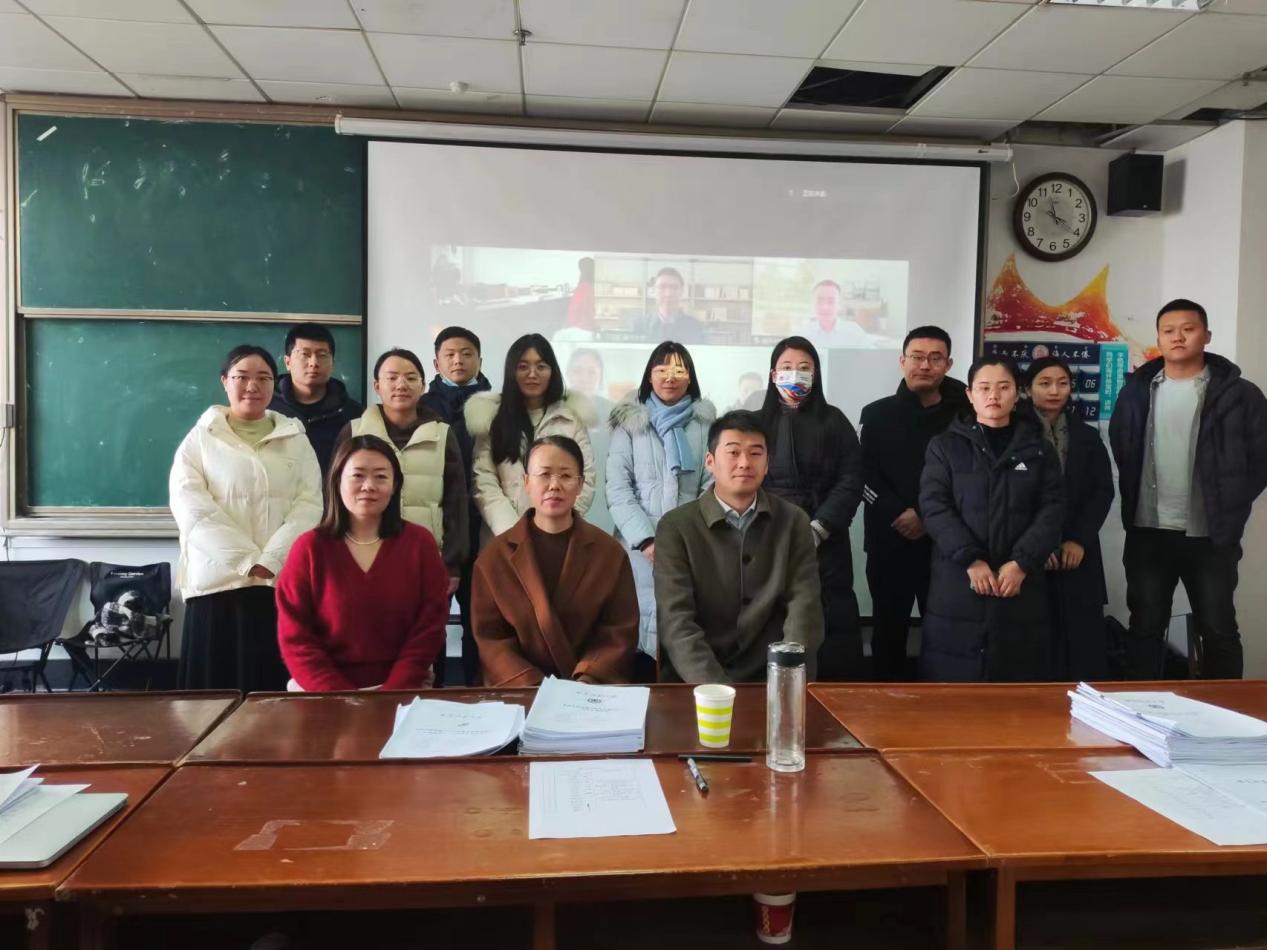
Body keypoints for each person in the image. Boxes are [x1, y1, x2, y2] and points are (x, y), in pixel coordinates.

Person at [1109, 299, 1267, 680]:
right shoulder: (1136, 391)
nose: (1177, 337)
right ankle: (1142, 708)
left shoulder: (1240, 394)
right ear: (1159, 338)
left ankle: (1223, 712)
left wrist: (1229, 502)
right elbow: (1122, 445)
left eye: (1188, 329)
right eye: (1168, 331)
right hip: (1148, 531)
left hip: (1210, 534)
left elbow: (1261, 459)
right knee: (1144, 627)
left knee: (1218, 629)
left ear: (1206, 336)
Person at [170, 344, 322, 692]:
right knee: (213, 698)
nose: (252, 386)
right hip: (217, 586)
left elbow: (310, 505)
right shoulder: (200, 440)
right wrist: (247, 560)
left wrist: (271, 560)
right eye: (242, 377)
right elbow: (192, 509)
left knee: (273, 697)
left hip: (277, 584)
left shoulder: (296, 439)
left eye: (263, 378)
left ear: (274, 384)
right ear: (225, 381)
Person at [919, 355, 1064, 682]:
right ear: (970, 395)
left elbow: (1052, 508)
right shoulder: (944, 447)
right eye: (984, 388)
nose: (993, 396)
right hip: (959, 580)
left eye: (1003, 387)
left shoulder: (1039, 449)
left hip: (1020, 582)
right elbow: (934, 506)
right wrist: (971, 559)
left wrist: (1022, 562)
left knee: (1016, 684)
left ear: (1017, 393)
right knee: (954, 683)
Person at [654, 410, 824, 683]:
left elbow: (803, 607)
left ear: (767, 464)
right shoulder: (676, 527)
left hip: (773, 676)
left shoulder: (794, 521)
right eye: (733, 452)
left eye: (755, 453)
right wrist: (717, 691)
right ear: (710, 461)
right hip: (697, 684)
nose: (744, 463)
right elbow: (677, 621)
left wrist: (784, 681)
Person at [276, 435, 450, 691]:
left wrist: (392, 693)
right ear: (337, 480)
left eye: (381, 477)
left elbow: (430, 627)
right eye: (358, 475)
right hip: (323, 694)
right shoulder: (309, 549)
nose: (369, 486)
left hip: (403, 688)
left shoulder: (419, 543)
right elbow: (296, 638)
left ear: (395, 485)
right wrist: (342, 699)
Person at [471, 436, 637, 685]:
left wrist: (586, 679)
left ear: (580, 484)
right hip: (521, 690)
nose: (554, 485)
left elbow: (618, 631)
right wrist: (536, 687)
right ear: (527, 482)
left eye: (566, 476)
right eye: (544, 474)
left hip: (590, 690)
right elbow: (492, 640)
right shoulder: (495, 558)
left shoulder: (609, 553)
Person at [860, 326, 968, 681]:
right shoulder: (875, 414)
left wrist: (925, 516)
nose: (925, 365)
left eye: (935, 358)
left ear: (948, 364)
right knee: (887, 632)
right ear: (902, 361)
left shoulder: (965, 416)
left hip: (945, 544)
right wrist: (898, 513)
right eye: (917, 357)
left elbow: (970, 477)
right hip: (889, 540)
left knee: (945, 634)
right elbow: (862, 475)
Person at [607, 342, 716, 682]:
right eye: (662, 369)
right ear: (649, 376)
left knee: (685, 626)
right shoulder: (629, 423)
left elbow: (712, 485)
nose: (670, 377)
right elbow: (618, 487)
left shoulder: (705, 424)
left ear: (690, 377)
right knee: (637, 628)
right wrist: (646, 540)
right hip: (638, 548)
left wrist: (688, 537)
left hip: (691, 543)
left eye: (679, 370)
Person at [758, 337, 864, 680]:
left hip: (826, 542)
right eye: (787, 368)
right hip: (768, 539)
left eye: (804, 368)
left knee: (831, 623)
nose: (795, 375)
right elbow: (745, 481)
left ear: (815, 374)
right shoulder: (756, 423)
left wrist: (820, 527)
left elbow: (851, 479)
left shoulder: (834, 421)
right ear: (773, 374)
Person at [334, 348, 468, 593]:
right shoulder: (354, 432)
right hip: (363, 557)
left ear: (423, 386)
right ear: (377, 386)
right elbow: (334, 497)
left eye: (410, 377)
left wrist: (451, 564)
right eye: (392, 377)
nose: (401, 384)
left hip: (427, 559)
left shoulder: (442, 434)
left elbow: (456, 501)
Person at [1025, 357, 1115, 680]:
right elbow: (1010, 499)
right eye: (1044, 383)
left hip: (1077, 551)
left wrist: (1078, 539)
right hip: (1027, 552)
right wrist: (1038, 544)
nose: (1054, 391)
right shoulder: (1013, 432)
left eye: (1062, 383)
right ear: (1027, 389)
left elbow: (1101, 492)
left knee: (1081, 643)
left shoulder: (1086, 436)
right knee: (1034, 644)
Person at [466, 333, 596, 540]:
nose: (532, 374)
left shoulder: (571, 418)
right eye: (523, 366)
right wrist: (514, 533)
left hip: (561, 537)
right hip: (504, 538)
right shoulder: (492, 417)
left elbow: (585, 478)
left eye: (541, 366)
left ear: (552, 371)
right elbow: (483, 481)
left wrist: (554, 525)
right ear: (511, 371)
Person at [422, 326, 493, 685]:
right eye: (449, 354)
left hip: (482, 528)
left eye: (466, 353)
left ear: (480, 359)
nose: (458, 360)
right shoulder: (421, 405)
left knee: (480, 623)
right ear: (436, 363)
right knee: (428, 624)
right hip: (433, 526)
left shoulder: (497, 405)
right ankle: (429, 694)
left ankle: (478, 694)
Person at [268, 323, 364, 479]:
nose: (313, 363)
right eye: (304, 354)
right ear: (288, 362)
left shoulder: (353, 414)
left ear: (332, 363)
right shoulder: (267, 408)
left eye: (322, 355)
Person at [801, 280, 884, 349]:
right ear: (813, 303)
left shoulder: (854, 331)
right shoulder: (803, 334)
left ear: (839, 304)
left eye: (831, 301)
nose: (825, 307)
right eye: (820, 300)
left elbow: (873, 357)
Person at [640, 266, 704, 344]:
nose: (668, 294)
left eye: (674, 288)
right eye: (662, 287)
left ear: (682, 291)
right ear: (653, 291)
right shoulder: (639, 325)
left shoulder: (694, 327)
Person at [566, 256, 596, 331]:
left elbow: (574, 310)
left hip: (581, 327)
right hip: (591, 325)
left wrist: (569, 327)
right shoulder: (593, 286)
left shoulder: (583, 287)